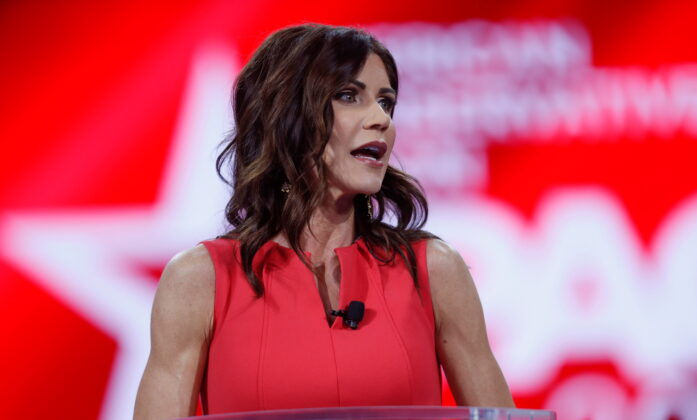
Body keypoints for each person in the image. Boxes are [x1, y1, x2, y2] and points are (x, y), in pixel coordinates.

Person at [134, 23, 514, 419]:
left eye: (386, 102)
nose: (380, 119)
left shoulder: (434, 270)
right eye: (350, 96)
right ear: (288, 115)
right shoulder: (201, 281)